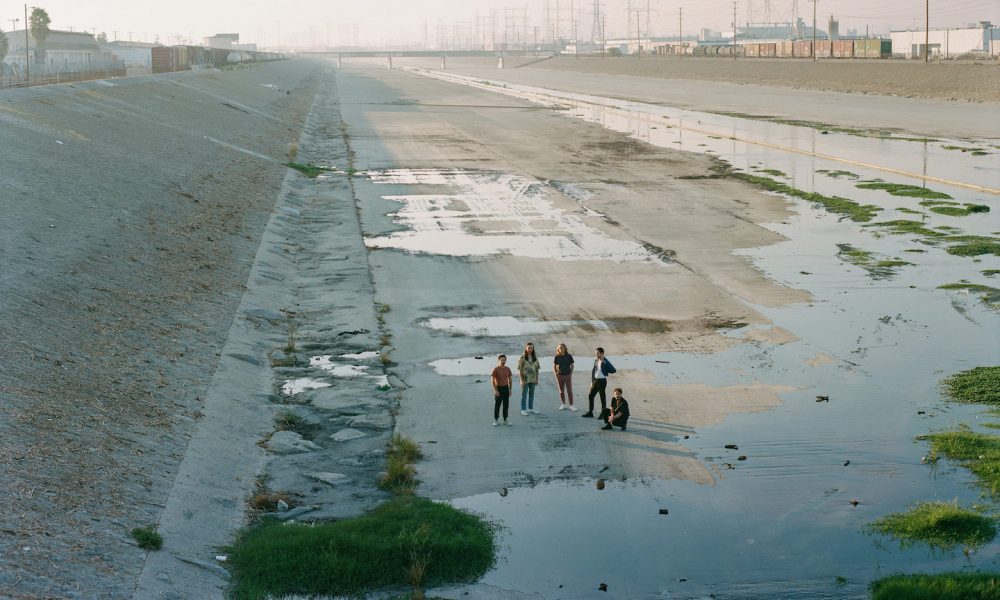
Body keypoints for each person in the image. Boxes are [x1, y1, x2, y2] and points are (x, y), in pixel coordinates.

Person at [584, 347, 616, 418]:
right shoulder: (596, 360)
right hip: (595, 380)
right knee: (591, 395)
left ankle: (603, 413)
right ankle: (590, 412)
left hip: (602, 381)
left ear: (602, 353)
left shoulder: (605, 361)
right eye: (595, 353)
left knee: (602, 397)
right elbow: (593, 371)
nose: (596, 354)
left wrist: (606, 370)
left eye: (597, 353)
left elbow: (613, 370)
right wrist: (592, 381)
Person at [517, 342, 540, 415]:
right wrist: (521, 380)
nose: (530, 349)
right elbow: (520, 369)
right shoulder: (522, 357)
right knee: (524, 394)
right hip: (525, 379)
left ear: (533, 349)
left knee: (531, 394)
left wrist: (537, 379)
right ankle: (523, 409)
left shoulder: (535, 357)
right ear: (526, 348)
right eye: (529, 348)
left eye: (531, 348)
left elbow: (537, 369)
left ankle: (531, 409)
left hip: (533, 379)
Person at [491, 354, 513, 426]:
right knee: (497, 405)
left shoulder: (507, 369)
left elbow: (510, 380)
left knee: (506, 405)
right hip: (498, 389)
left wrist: (510, 390)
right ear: (499, 360)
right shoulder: (496, 369)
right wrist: (495, 390)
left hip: (506, 388)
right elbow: (492, 380)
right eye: (501, 360)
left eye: (504, 360)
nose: (503, 361)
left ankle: (505, 420)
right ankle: (496, 420)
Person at [553, 343, 576, 411]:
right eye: (560, 348)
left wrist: (570, 374)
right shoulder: (556, 357)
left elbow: (572, 365)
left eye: (562, 347)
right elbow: (554, 366)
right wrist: (556, 374)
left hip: (567, 375)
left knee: (569, 391)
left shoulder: (569, 356)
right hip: (559, 376)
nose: (561, 349)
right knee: (561, 391)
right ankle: (563, 404)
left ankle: (571, 405)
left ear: (565, 348)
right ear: (558, 349)